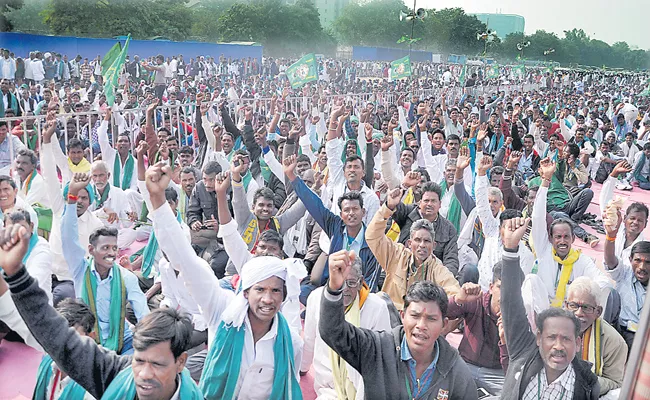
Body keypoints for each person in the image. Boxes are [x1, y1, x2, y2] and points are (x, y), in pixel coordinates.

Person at [146, 161, 305, 398]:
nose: (268, 299)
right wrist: (157, 200)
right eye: (260, 289)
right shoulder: (222, 311)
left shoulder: (290, 341)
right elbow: (186, 260)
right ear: (245, 291)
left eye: (276, 291)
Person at [1, 224, 202, 399]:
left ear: (181, 362)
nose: (144, 374)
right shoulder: (115, 373)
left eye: (157, 365)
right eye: (139, 361)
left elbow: (142, 313)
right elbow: (56, 335)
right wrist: (16, 274)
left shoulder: (193, 396)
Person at [320, 250, 478, 399]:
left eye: (431, 319)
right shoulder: (376, 349)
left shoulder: (455, 370)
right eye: (415, 316)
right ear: (403, 316)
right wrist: (334, 290)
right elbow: (332, 332)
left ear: (444, 325)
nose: (421, 325)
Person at [498, 216, 599, 400]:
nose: (558, 346)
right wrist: (510, 250)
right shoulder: (523, 351)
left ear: (577, 343)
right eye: (551, 337)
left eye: (566, 339)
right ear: (538, 338)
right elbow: (510, 304)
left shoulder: (587, 385)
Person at [62, 172, 150, 354]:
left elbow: (143, 314)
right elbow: (69, 239)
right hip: (87, 341)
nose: (111, 253)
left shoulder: (126, 278)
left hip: (120, 340)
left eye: (114, 248)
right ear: (91, 250)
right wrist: (71, 198)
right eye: (105, 248)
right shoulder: (81, 269)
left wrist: (151, 339)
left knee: (139, 358)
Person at [302, 251, 392, 399]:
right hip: (328, 388)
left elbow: (382, 357)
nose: (344, 289)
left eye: (351, 283)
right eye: (340, 282)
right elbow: (309, 340)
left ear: (361, 281)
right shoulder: (317, 298)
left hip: (364, 388)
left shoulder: (377, 307)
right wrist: (302, 369)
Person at [367, 187, 460, 311]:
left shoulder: (438, 269)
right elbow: (372, 236)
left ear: (434, 246)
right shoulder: (397, 254)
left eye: (427, 241)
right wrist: (388, 208)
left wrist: (462, 298)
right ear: (409, 243)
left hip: (420, 318)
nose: (422, 245)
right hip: (392, 315)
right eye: (417, 240)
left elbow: (453, 292)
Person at [446, 267, 507, 395]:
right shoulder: (476, 300)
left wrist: (505, 339)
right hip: (465, 365)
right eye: (501, 287)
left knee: (512, 394)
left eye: (512, 289)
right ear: (491, 288)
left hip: (495, 374)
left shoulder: (519, 316)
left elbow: (512, 366)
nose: (506, 293)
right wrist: (458, 299)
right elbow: (442, 313)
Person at [565, 278, 627, 398]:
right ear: (566, 305)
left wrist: (582, 382)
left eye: (586, 307)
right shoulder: (553, 327)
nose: (578, 313)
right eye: (573, 305)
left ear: (598, 311)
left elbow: (615, 382)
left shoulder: (615, 342)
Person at [603, 211, 650, 350]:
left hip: (642, 337)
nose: (642, 267)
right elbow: (610, 260)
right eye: (638, 261)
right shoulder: (625, 273)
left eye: (648, 262)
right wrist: (611, 236)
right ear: (630, 260)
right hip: (617, 330)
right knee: (609, 292)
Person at [32, 299, 96, 399]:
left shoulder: (95, 387)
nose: (62, 346)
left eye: (72, 339)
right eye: (57, 336)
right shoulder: (47, 363)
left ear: (91, 337)